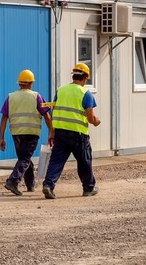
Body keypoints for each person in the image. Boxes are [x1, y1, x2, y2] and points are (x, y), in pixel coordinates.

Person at [42, 62, 101, 199]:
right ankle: (88, 188)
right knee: (84, 161)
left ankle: (48, 185)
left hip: (60, 132)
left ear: (73, 76)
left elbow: (54, 111)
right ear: (85, 77)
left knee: (56, 161)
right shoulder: (86, 94)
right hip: (78, 134)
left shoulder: (60, 91)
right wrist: (96, 121)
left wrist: (52, 132)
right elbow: (90, 117)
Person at [0, 69, 53, 196]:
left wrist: (1, 137)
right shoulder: (36, 96)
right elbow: (46, 116)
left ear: (20, 83)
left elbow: (4, 118)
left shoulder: (11, 97)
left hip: (16, 133)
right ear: (30, 83)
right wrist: (51, 131)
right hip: (31, 133)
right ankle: (12, 181)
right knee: (25, 158)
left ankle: (30, 184)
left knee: (24, 158)